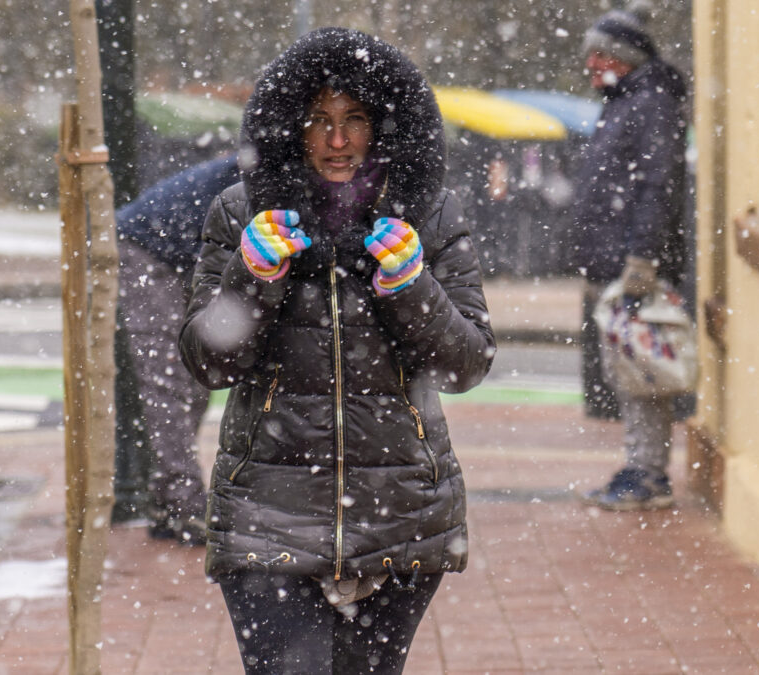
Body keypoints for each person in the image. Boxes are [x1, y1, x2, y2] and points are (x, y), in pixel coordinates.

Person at [178, 27, 495, 674]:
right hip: (267, 515)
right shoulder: (239, 215)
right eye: (318, 120)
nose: (338, 140)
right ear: (291, 128)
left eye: (355, 119)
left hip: (401, 518)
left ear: (384, 128)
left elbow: (468, 362)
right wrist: (252, 277)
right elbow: (207, 361)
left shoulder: (429, 215)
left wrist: (412, 288)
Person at [570, 0, 689, 510]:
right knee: (628, 368)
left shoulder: (650, 103)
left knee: (641, 370)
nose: (592, 66)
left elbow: (658, 187)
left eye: (599, 55)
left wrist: (643, 259)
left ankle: (648, 475)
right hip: (613, 260)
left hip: (632, 265)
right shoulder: (626, 102)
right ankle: (640, 465)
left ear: (623, 57)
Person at [113, 154, 240, 543]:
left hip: (185, 254)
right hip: (149, 249)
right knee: (166, 380)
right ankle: (182, 504)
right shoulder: (260, 174)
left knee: (194, 378)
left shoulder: (264, 166)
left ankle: (170, 501)